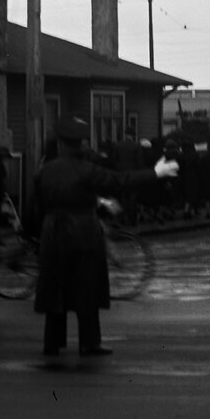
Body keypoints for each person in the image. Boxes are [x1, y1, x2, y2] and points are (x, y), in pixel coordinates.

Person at [32, 119, 179, 358]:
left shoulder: (44, 171)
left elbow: (35, 207)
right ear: (81, 144)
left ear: (60, 143)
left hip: (52, 231)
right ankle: (89, 342)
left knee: (56, 287)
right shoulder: (88, 169)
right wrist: (155, 173)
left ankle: (52, 342)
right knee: (86, 285)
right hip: (83, 231)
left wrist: (40, 232)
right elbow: (120, 181)